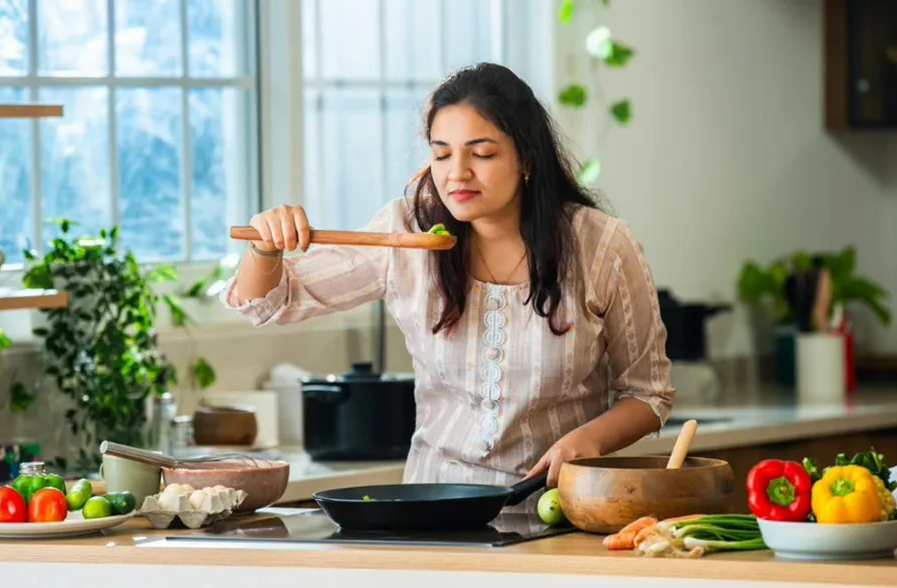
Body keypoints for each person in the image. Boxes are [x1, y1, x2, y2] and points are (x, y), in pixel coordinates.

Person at [222, 62, 675, 511]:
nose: (456, 173)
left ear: (527, 158)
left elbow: (648, 393)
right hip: (433, 509)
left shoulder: (601, 246)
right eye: (441, 154)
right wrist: (266, 248)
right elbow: (269, 304)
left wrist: (587, 439)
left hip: (563, 508)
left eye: (481, 154)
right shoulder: (407, 231)